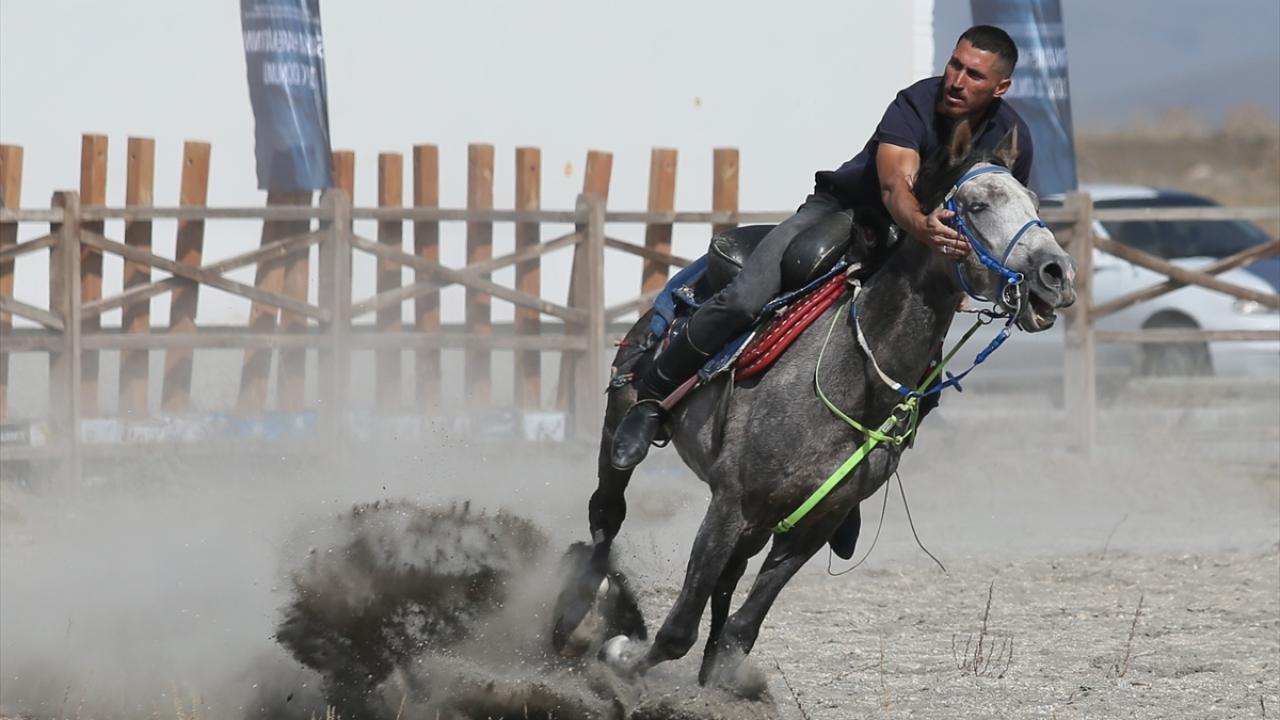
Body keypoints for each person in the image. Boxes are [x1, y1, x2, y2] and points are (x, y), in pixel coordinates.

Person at [610, 25, 1035, 473]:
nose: (956, 81)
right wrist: (924, 229)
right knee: (745, 299)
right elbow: (895, 187)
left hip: (915, 249)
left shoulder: (1014, 138)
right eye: (954, 65)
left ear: (1001, 87)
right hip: (843, 208)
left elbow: (1001, 220)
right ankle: (650, 400)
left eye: (974, 75)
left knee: (925, 378)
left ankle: (853, 473)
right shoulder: (914, 103)